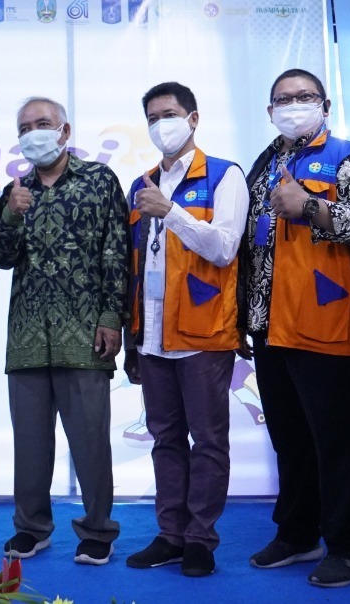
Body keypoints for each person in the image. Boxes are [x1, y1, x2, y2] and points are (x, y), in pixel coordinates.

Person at [237, 69, 350, 587]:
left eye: (304, 97)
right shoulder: (262, 164)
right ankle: (297, 533)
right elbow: (251, 246)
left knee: (334, 439)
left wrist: (312, 207)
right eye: (283, 98)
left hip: (324, 319)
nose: (293, 104)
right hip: (269, 323)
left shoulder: (348, 157)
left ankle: (346, 545)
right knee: (288, 437)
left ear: (325, 103)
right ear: (269, 109)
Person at [0, 97, 127, 566]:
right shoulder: (16, 190)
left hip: (85, 333)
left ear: (65, 131)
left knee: (90, 440)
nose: (34, 132)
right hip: (27, 335)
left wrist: (112, 317)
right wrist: (10, 214)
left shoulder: (99, 180)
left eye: (43, 124)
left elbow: (116, 250)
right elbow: (2, 257)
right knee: (29, 444)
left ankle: (97, 530)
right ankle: (31, 528)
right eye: (25, 126)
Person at [123, 82, 249, 577]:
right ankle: (169, 534)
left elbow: (224, 248)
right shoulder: (143, 182)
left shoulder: (224, 175)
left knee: (209, 440)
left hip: (203, 332)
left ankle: (201, 538)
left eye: (169, 114)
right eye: (152, 117)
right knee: (166, 439)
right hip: (152, 331)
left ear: (193, 118)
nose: (161, 124)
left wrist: (171, 212)